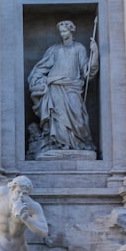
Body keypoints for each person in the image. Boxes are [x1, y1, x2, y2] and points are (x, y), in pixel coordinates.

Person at [27, 20, 99, 156]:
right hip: (55, 87)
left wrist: (94, 54)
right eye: (61, 32)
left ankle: (77, 144)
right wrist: (38, 80)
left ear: (71, 31)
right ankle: (60, 144)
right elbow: (41, 68)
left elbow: (87, 71)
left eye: (65, 31)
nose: (62, 34)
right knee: (58, 117)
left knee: (77, 116)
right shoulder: (54, 49)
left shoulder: (79, 48)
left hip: (73, 87)